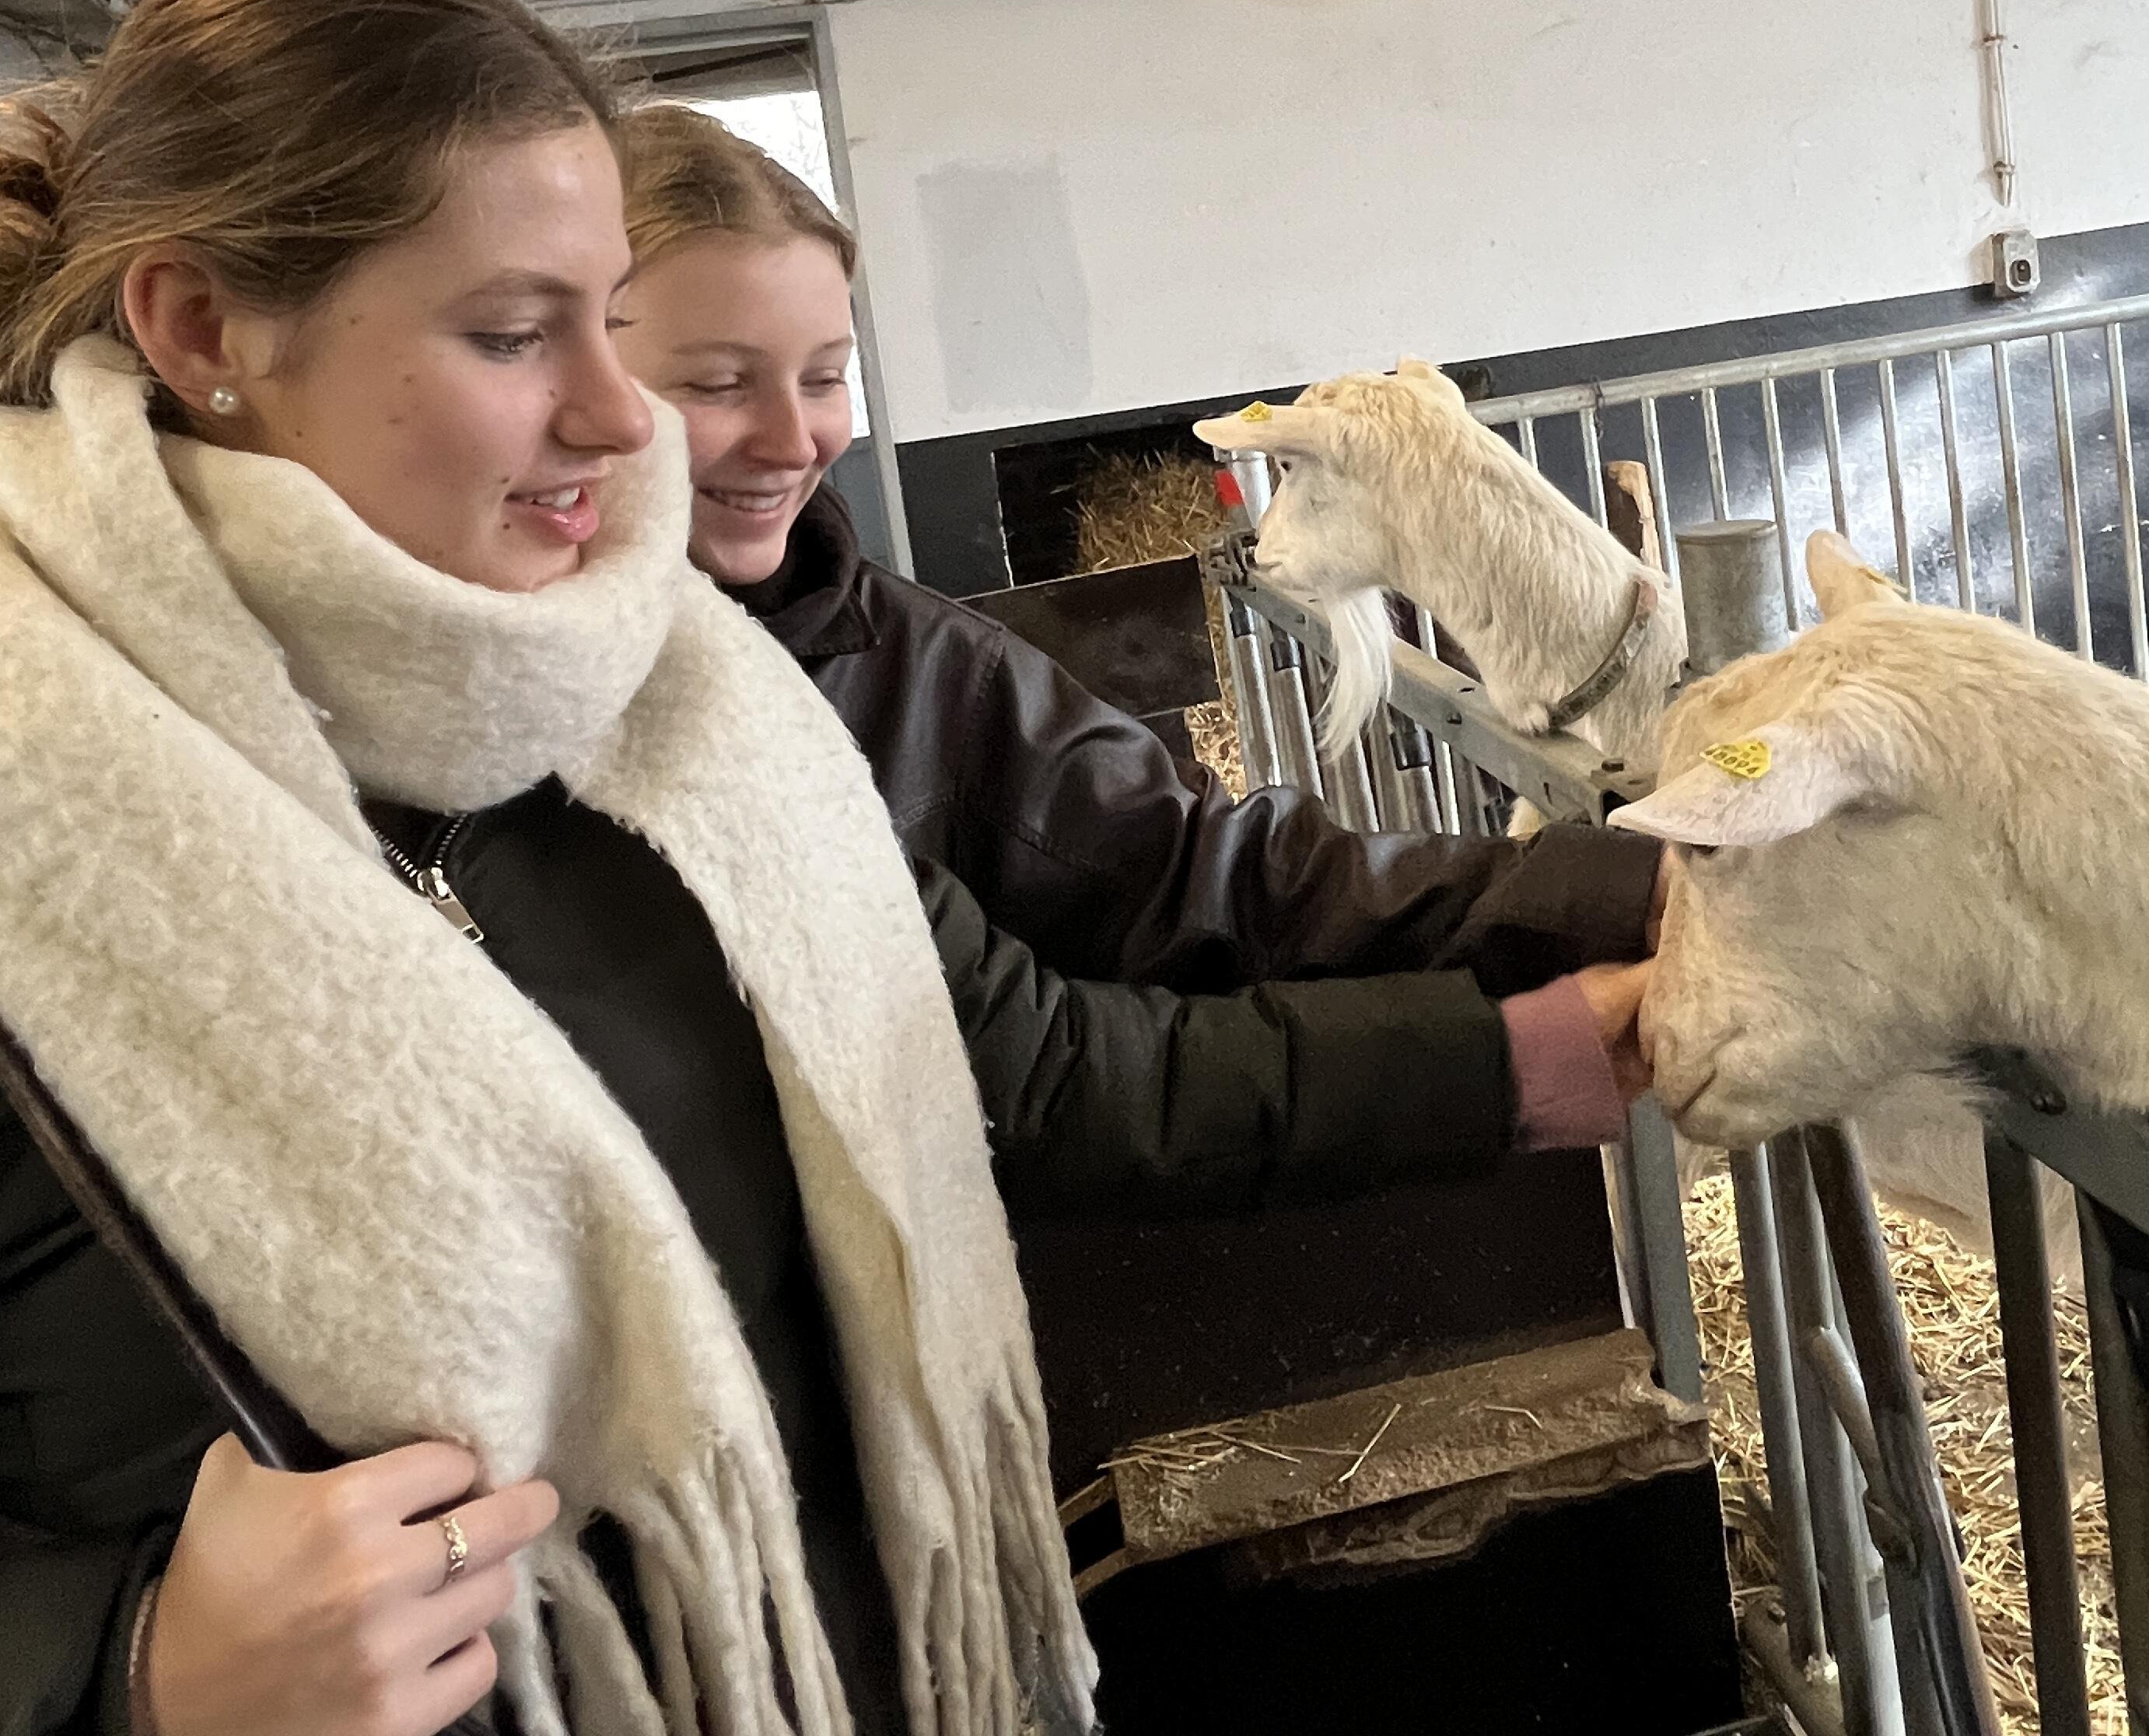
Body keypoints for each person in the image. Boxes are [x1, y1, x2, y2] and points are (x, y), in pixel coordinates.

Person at [0, 0, 1091, 1736]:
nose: (617, 411)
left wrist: (1524, 1038)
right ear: (201, 328)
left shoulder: (655, 701)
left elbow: (1005, 1056)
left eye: (608, 318)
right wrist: (131, 1672)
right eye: (515, 332)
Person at [610, 103, 1666, 1211]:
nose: (795, 442)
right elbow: (1056, 1075)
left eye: (826, 377)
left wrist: (1620, 887)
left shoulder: (930, 670)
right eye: (718, 383)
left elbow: (1197, 875)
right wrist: (1516, 1050)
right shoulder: (531, 754)